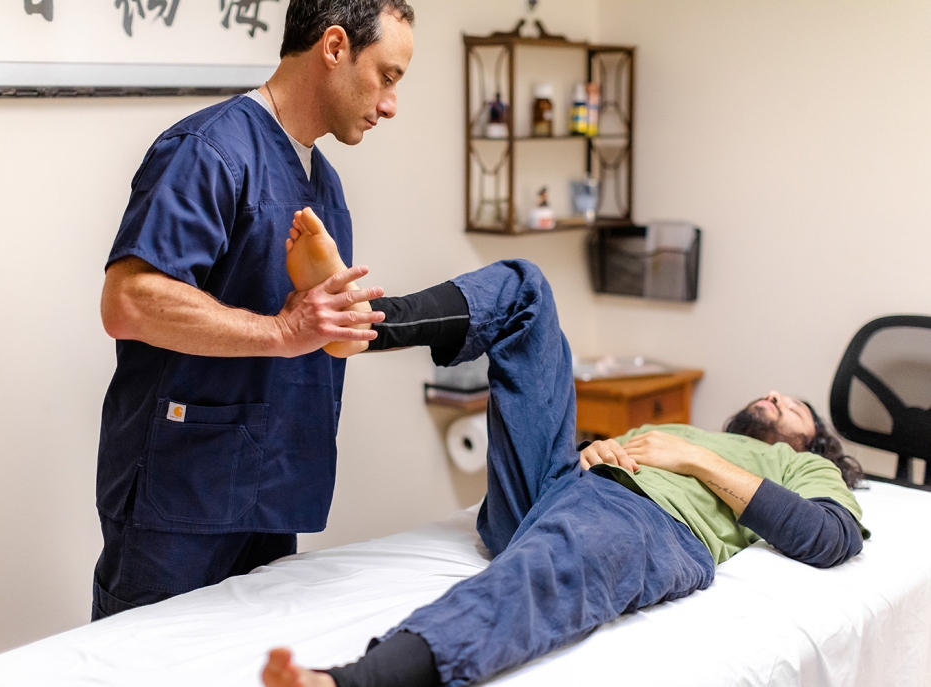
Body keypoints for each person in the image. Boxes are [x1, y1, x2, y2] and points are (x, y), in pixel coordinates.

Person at [259, 212, 868, 687]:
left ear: (808, 437)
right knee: (526, 288)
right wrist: (596, 451)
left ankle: (364, 679)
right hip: (562, 485)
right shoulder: (691, 431)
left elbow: (831, 539)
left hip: (654, 526)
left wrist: (694, 462)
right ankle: (366, 322)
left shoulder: (800, 464)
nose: (773, 397)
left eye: (792, 406)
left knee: (560, 557)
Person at [91, 0, 416, 620]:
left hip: (272, 491)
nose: (391, 104)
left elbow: (312, 324)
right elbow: (129, 301)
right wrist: (282, 330)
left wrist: (334, 323)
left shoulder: (325, 185)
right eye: (388, 76)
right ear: (334, 47)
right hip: (182, 496)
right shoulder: (209, 151)